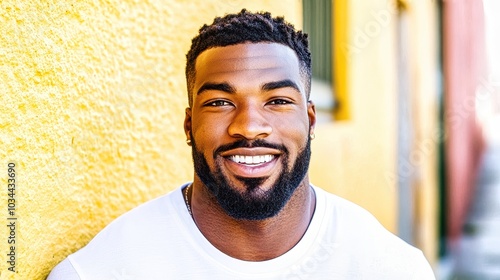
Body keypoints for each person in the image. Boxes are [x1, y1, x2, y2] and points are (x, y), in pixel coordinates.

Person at [48, 9, 435, 279]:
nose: (249, 127)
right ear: (189, 125)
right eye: (220, 102)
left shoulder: (391, 269)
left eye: (278, 100)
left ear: (311, 120)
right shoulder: (99, 272)